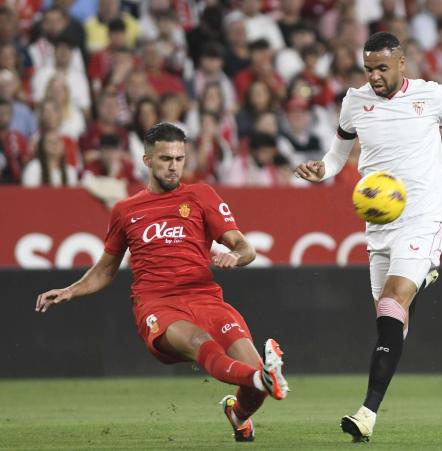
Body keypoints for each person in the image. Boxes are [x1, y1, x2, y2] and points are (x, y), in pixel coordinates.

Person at [295, 32, 442, 442]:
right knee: (390, 319)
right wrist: (321, 171)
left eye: (381, 68)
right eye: (369, 68)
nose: (374, 76)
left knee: (393, 299)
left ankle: (366, 414)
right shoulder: (354, 102)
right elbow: (338, 156)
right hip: (379, 221)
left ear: (401, 65)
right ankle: (424, 276)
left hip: (425, 213)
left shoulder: (430, 95)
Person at [35, 123, 289, 442]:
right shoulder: (126, 211)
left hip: (206, 298)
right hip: (158, 305)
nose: (174, 166)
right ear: (147, 160)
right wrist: (70, 291)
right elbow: (105, 270)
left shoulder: (201, 195)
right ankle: (263, 377)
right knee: (200, 344)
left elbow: (245, 247)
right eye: (166, 158)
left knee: (252, 384)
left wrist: (235, 257)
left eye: (179, 159)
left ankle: (239, 412)